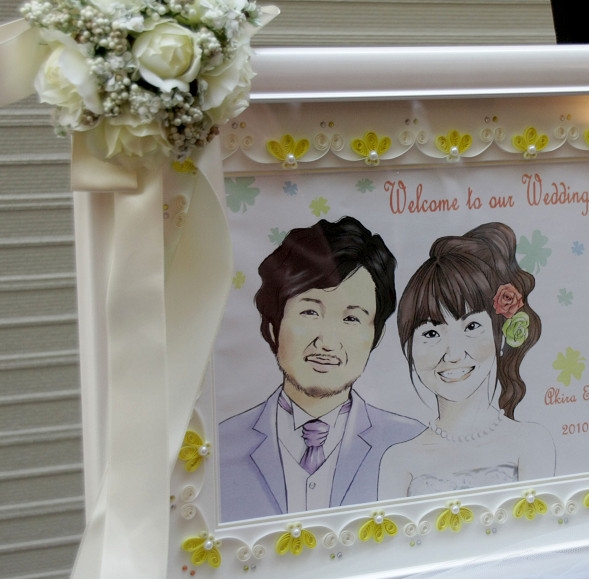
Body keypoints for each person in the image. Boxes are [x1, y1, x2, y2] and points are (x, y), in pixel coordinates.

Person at [219, 216, 424, 521]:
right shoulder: (220, 445)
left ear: (375, 336)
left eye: (352, 318)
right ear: (274, 325)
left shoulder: (414, 441)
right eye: (310, 312)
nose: (327, 342)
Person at [378, 222, 555, 499]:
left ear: (500, 335)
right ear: (409, 347)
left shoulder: (531, 443)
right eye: (431, 333)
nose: (453, 354)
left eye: (471, 326)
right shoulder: (398, 461)